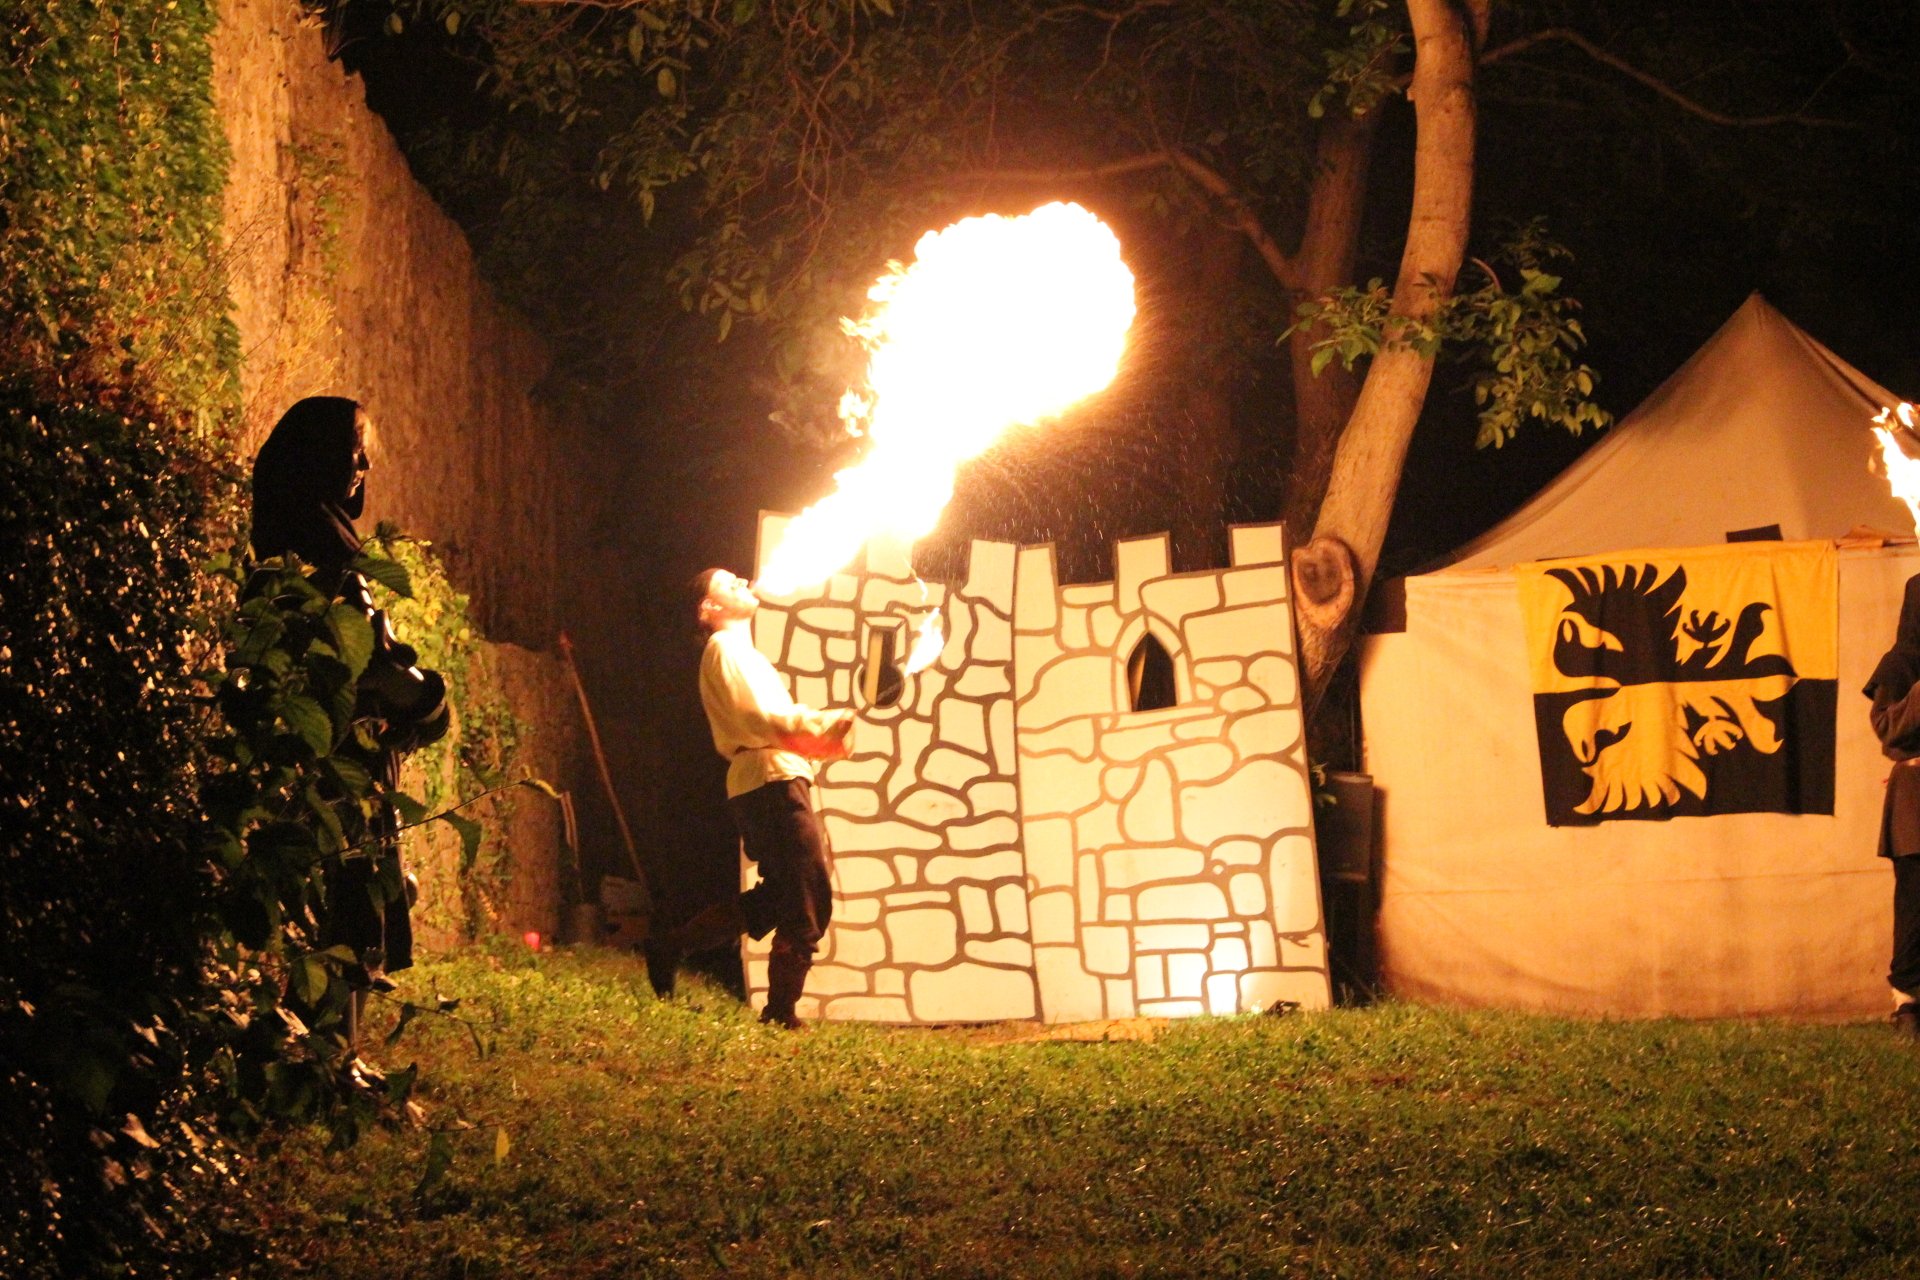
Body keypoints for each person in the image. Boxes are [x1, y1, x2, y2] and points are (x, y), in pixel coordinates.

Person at [251, 396, 449, 1048]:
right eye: (355, 448)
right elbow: (365, 662)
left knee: (362, 894)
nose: (364, 464)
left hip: (339, 745)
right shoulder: (320, 546)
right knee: (354, 899)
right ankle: (330, 1056)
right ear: (322, 454)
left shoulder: (294, 532)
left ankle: (333, 1054)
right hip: (341, 753)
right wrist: (429, 701)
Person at [645, 568, 853, 1029]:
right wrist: (824, 724)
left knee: (781, 893)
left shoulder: (740, 652)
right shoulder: (724, 647)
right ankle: (780, 1013)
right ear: (708, 608)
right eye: (726, 583)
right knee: (807, 891)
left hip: (769, 777)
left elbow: (768, 718)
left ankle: (671, 945)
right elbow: (757, 718)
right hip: (769, 779)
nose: (741, 581)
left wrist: (824, 728)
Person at [1866, 572, 1920, 1038]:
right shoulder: (1899, 664)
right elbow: (1889, 729)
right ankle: (1907, 1004)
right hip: (1915, 801)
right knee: (1916, 903)